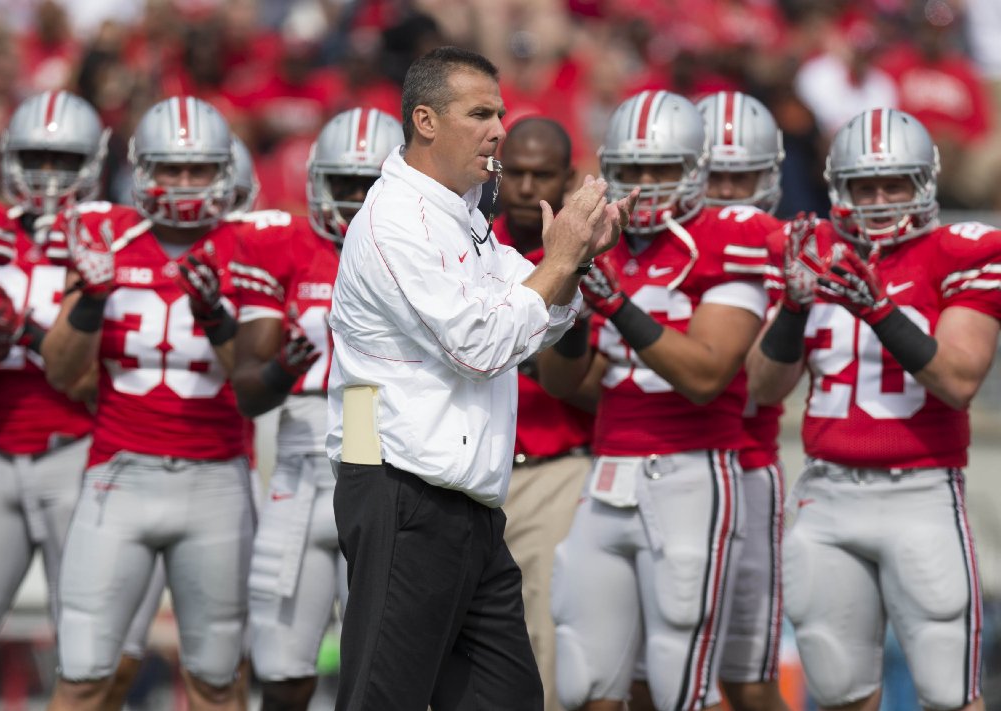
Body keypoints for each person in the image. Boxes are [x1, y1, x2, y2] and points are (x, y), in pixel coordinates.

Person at [326, 46, 634, 711]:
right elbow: (482, 345)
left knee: (508, 698)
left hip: (462, 501)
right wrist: (559, 261)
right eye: (481, 114)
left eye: (500, 113)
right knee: (384, 697)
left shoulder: (459, 212)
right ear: (426, 121)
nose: (499, 130)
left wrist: (575, 262)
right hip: (401, 488)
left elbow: (539, 320)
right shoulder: (394, 219)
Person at [538, 89, 780, 711]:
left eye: (662, 168)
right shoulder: (603, 239)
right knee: (586, 678)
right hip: (609, 469)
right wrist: (573, 299)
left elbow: (705, 375)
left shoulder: (729, 236)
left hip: (693, 470)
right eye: (632, 168)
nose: (646, 184)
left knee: (681, 684)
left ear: (696, 168)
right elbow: (562, 382)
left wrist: (616, 303)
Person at [746, 107, 994, 711]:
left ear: (925, 182)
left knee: (950, 696)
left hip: (921, 492)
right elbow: (763, 387)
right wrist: (794, 309)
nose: (880, 201)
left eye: (894, 184)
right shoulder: (813, 249)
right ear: (840, 188)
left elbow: (958, 380)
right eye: (865, 186)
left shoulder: (959, 251)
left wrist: (880, 310)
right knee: (839, 694)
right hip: (827, 494)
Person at [40, 96, 254, 711]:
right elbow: (60, 371)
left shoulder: (249, 247)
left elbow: (254, 385)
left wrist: (216, 317)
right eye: (169, 168)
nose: (183, 182)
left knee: (217, 680)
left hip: (215, 478)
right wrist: (89, 301)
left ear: (224, 171)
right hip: (120, 474)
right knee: (83, 674)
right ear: (141, 169)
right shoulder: (108, 239)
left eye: (198, 169)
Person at [230, 107, 403, 711]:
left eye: (368, 183)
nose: (354, 198)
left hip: (386, 453)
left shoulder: (422, 249)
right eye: (343, 182)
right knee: (282, 672)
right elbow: (249, 388)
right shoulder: (282, 245)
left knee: (384, 675)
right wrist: (283, 366)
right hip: (300, 464)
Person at [101, 130, 264, 711]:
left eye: (221, 192)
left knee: (220, 671)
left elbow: (259, 382)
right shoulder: (124, 248)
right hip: (128, 465)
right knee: (108, 663)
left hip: (223, 469)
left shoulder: (258, 256)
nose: (196, 204)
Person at [0, 90, 105, 672]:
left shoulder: (107, 241)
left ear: (92, 163)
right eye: (35, 158)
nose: (48, 174)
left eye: (63, 160)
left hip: (75, 450)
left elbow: (100, 379)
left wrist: (26, 334)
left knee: (84, 646)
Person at [491, 116, 593, 711]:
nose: (527, 187)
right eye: (516, 173)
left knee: (545, 651)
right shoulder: (470, 244)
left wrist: (516, 346)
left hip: (553, 470)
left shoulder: (591, 255)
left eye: (543, 175)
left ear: (569, 177)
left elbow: (597, 388)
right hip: (467, 473)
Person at [694, 90, 791, 711]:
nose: (728, 191)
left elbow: (757, 380)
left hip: (746, 461)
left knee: (746, 678)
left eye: (742, 176)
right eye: (715, 175)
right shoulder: (653, 242)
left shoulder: (781, 250)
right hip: (647, 459)